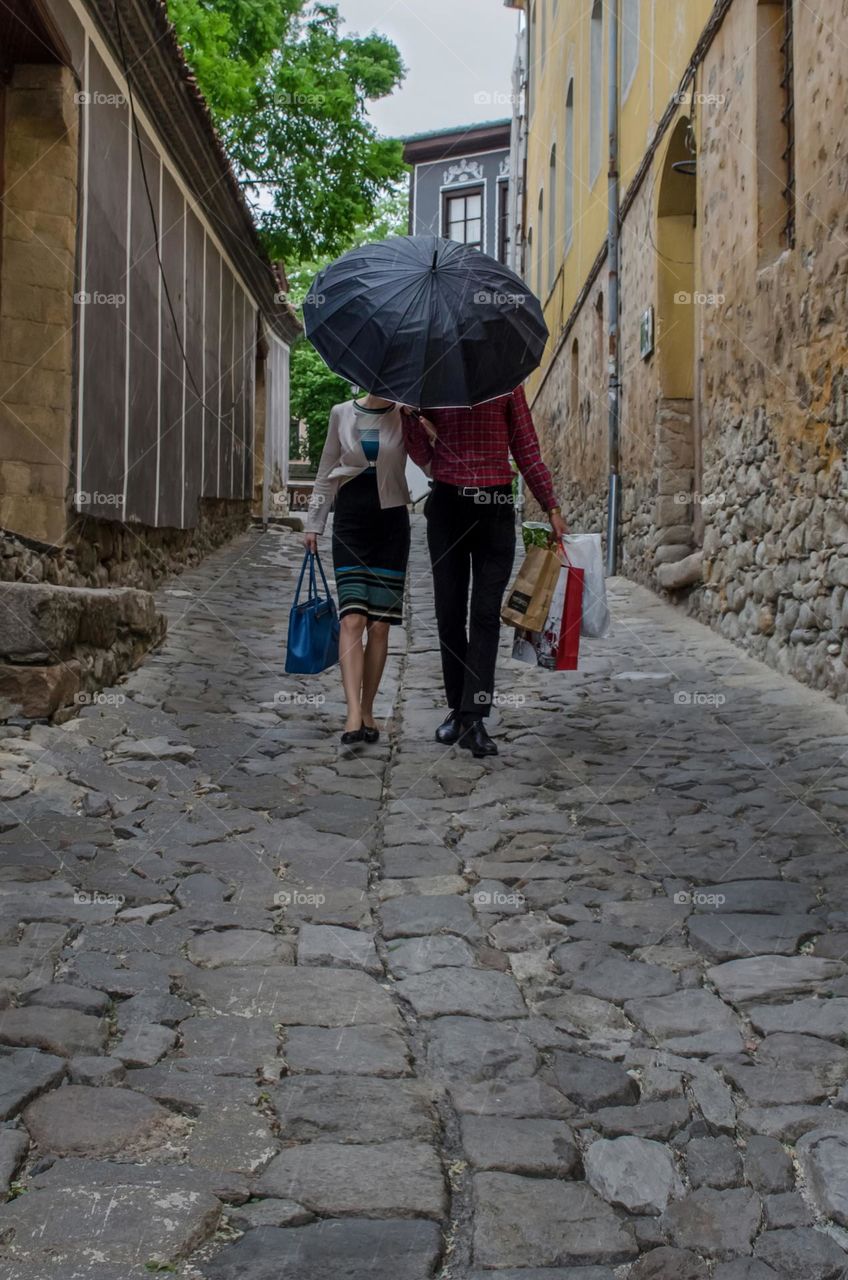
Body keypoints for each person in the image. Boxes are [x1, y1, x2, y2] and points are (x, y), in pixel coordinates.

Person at [402, 386, 566, 758]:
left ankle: (474, 715)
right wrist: (410, 418)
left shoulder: (508, 381)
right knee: (449, 613)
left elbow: (525, 448)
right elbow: (423, 456)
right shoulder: (434, 381)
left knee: (485, 615)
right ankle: (458, 710)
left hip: (495, 506)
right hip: (446, 505)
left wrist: (551, 506)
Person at [304, 393, 411, 745]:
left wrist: (424, 427)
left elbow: (428, 462)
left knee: (379, 625)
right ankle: (352, 712)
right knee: (353, 618)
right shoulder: (341, 412)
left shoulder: (404, 415)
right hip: (350, 522)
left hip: (391, 524)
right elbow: (325, 473)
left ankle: (367, 709)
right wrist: (313, 524)